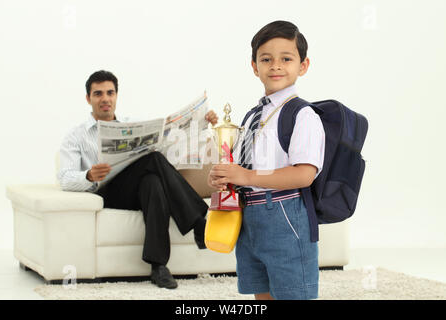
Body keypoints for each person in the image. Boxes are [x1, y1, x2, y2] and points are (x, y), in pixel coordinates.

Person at [58, 70, 219, 289]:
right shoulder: (76, 135)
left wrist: (202, 123)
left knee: (153, 182)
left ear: (116, 95)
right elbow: (65, 178)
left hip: (138, 188)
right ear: (88, 99)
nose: (105, 98)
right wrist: (88, 175)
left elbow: (172, 144)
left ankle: (158, 267)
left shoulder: (132, 124)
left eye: (110, 93)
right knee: (152, 160)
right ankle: (198, 223)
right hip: (108, 192)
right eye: (98, 94)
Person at [208, 21, 325, 300]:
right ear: (254, 66)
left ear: (303, 65)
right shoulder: (252, 116)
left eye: (286, 58)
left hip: (286, 214)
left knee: (292, 292)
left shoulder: (303, 115)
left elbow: (304, 175)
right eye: (266, 59)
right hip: (250, 217)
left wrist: (246, 177)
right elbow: (244, 168)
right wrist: (225, 177)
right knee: (262, 293)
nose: (276, 66)